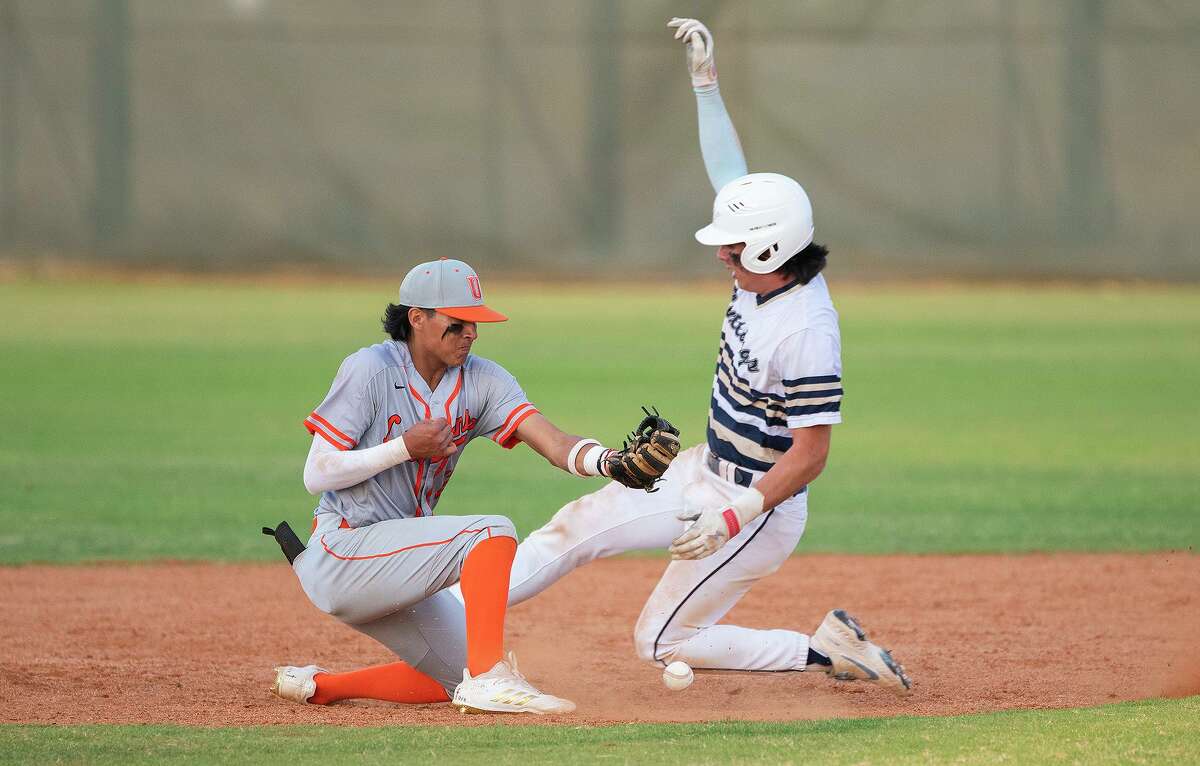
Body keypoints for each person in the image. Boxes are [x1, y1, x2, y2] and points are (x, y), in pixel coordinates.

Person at [497, 17, 912, 693]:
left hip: (759, 507)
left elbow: (811, 454)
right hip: (698, 472)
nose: (722, 252)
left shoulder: (806, 328)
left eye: (735, 245)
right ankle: (448, 616)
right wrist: (705, 84)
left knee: (659, 641)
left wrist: (732, 516)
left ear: (773, 248)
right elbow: (729, 174)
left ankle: (824, 650)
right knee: (567, 532)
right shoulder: (760, 271)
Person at [269, 257, 674, 715]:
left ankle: (319, 686)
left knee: (453, 676)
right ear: (417, 319)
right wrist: (404, 447)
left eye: (477, 323)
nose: (472, 334)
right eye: (459, 322)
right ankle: (487, 680)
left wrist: (609, 461)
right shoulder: (370, 370)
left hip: (401, 561)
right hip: (343, 551)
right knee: (490, 532)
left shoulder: (483, 380)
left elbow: (551, 439)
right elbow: (315, 473)